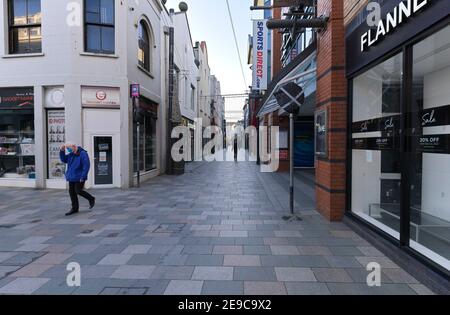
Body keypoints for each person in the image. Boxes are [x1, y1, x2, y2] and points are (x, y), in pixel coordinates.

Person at [60, 142, 95, 216]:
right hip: (72, 176)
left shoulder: (82, 153)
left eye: (69, 148)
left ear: (73, 146)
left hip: (80, 176)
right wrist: (62, 151)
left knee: (78, 190)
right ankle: (74, 208)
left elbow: (86, 165)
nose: (68, 150)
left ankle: (91, 198)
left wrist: (83, 176)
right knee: (71, 192)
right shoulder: (71, 154)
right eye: (67, 148)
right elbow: (64, 160)